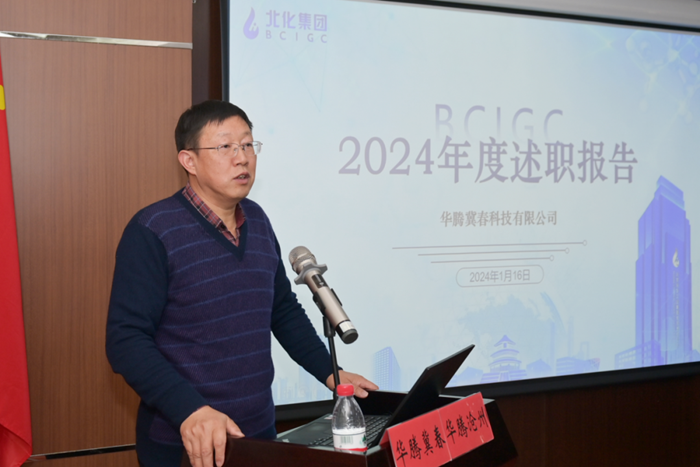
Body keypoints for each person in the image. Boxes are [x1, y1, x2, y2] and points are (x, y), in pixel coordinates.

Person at [106, 100, 377, 467]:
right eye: (225, 147)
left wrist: (330, 372)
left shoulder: (258, 221)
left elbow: (281, 309)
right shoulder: (153, 230)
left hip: (258, 437)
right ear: (189, 161)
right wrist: (190, 410)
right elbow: (126, 341)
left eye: (248, 145)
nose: (242, 158)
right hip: (186, 446)